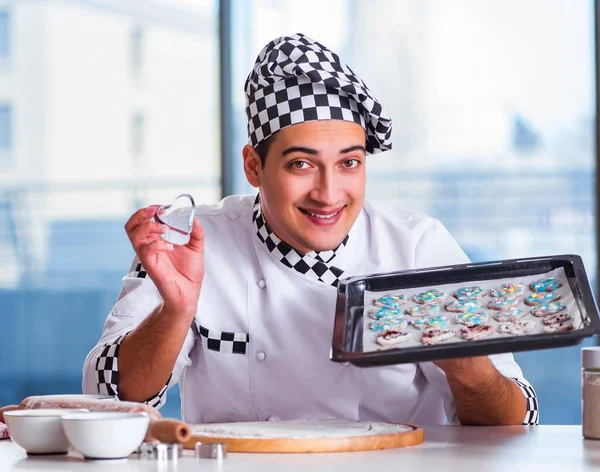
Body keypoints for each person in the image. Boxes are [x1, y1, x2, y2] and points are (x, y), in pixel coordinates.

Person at [83, 33, 538, 426]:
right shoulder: (193, 243)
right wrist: (175, 314)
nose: (328, 192)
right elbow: (109, 399)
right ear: (253, 166)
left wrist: (468, 369)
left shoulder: (417, 247)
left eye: (349, 164)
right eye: (301, 164)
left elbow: (516, 420)